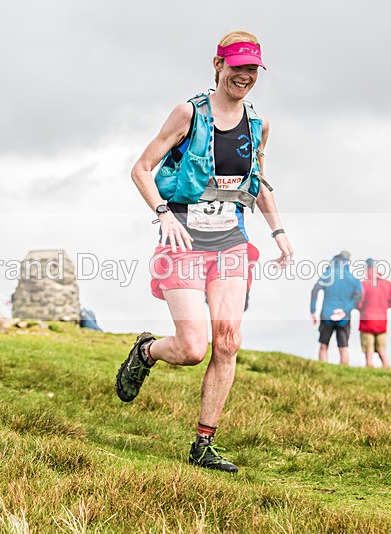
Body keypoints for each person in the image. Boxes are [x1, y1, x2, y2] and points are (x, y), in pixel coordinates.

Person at [115, 31, 293, 473]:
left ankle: (203, 444)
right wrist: (164, 213)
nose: (245, 76)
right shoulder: (188, 114)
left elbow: (259, 183)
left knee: (228, 342)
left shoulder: (258, 124)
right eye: (238, 67)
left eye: (252, 70)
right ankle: (146, 351)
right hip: (184, 241)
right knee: (194, 348)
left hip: (231, 242)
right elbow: (141, 169)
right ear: (218, 65)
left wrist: (279, 232)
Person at [310, 252, 362, 365]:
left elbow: (315, 290)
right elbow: (359, 295)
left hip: (326, 314)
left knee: (323, 345)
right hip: (344, 317)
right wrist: (345, 310)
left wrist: (313, 311)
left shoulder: (328, 274)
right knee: (343, 347)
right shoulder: (352, 278)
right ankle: (343, 373)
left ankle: (323, 370)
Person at [357, 258, 391, 368]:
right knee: (382, 350)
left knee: (369, 350)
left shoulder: (364, 284)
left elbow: (359, 302)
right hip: (381, 320)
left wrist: (360, 308)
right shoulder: (387, 284)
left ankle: (369, 367)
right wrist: (384, 306)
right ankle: (387, 368)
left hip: (367, 319)